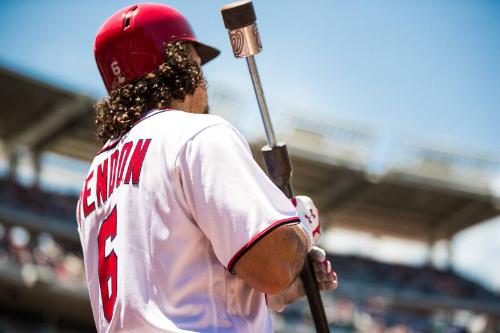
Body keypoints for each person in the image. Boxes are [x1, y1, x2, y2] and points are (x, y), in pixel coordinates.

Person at [76, 3, 337, 332]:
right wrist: (297, 226)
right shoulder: (198, 134)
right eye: (198, 64)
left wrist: (285, 289)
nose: (202, 81)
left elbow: (177, 284)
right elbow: (273, 266)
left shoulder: (95, 173)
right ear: (181, 63)